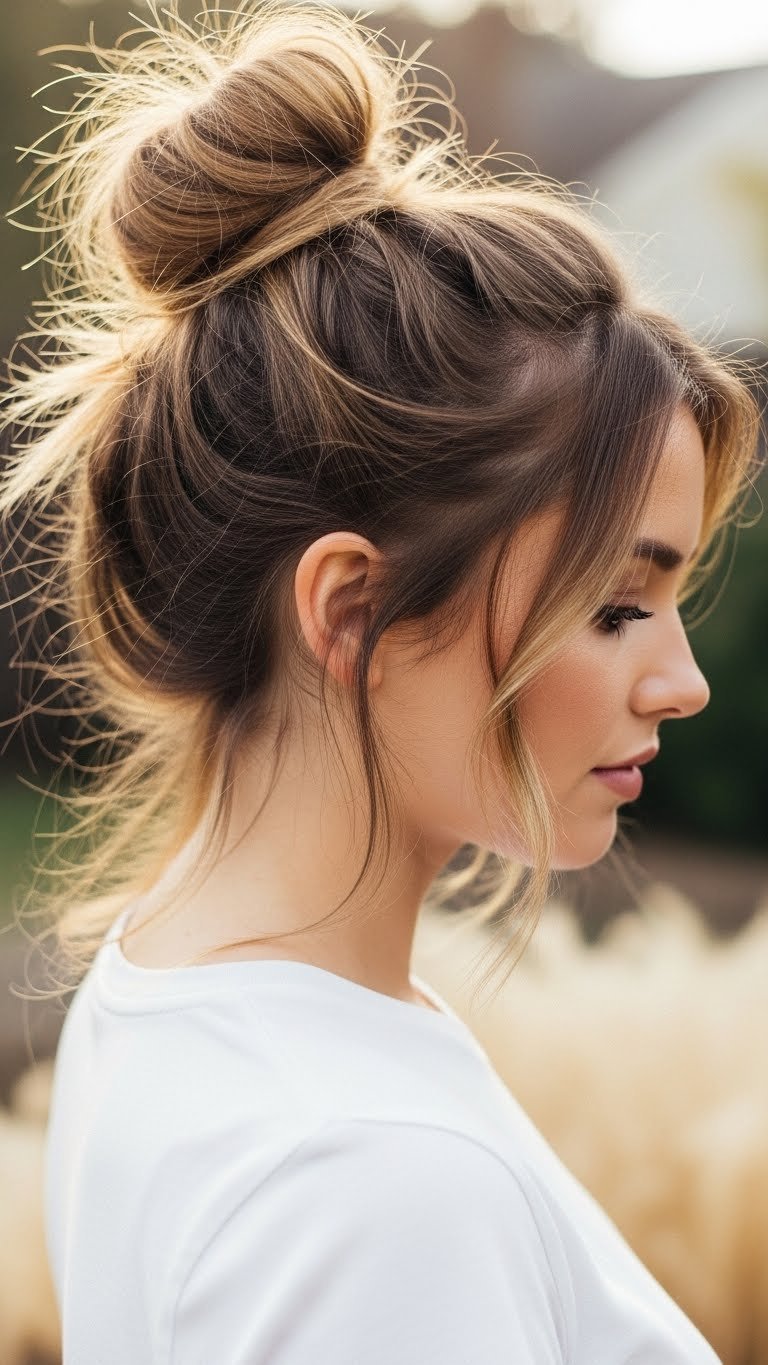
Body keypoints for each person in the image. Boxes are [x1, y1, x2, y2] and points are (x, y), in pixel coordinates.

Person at [0, 1, 762, 1361]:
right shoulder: (368, 1183)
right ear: (352, 610)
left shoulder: (173, 990)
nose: (682, 681)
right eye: (616, 606)